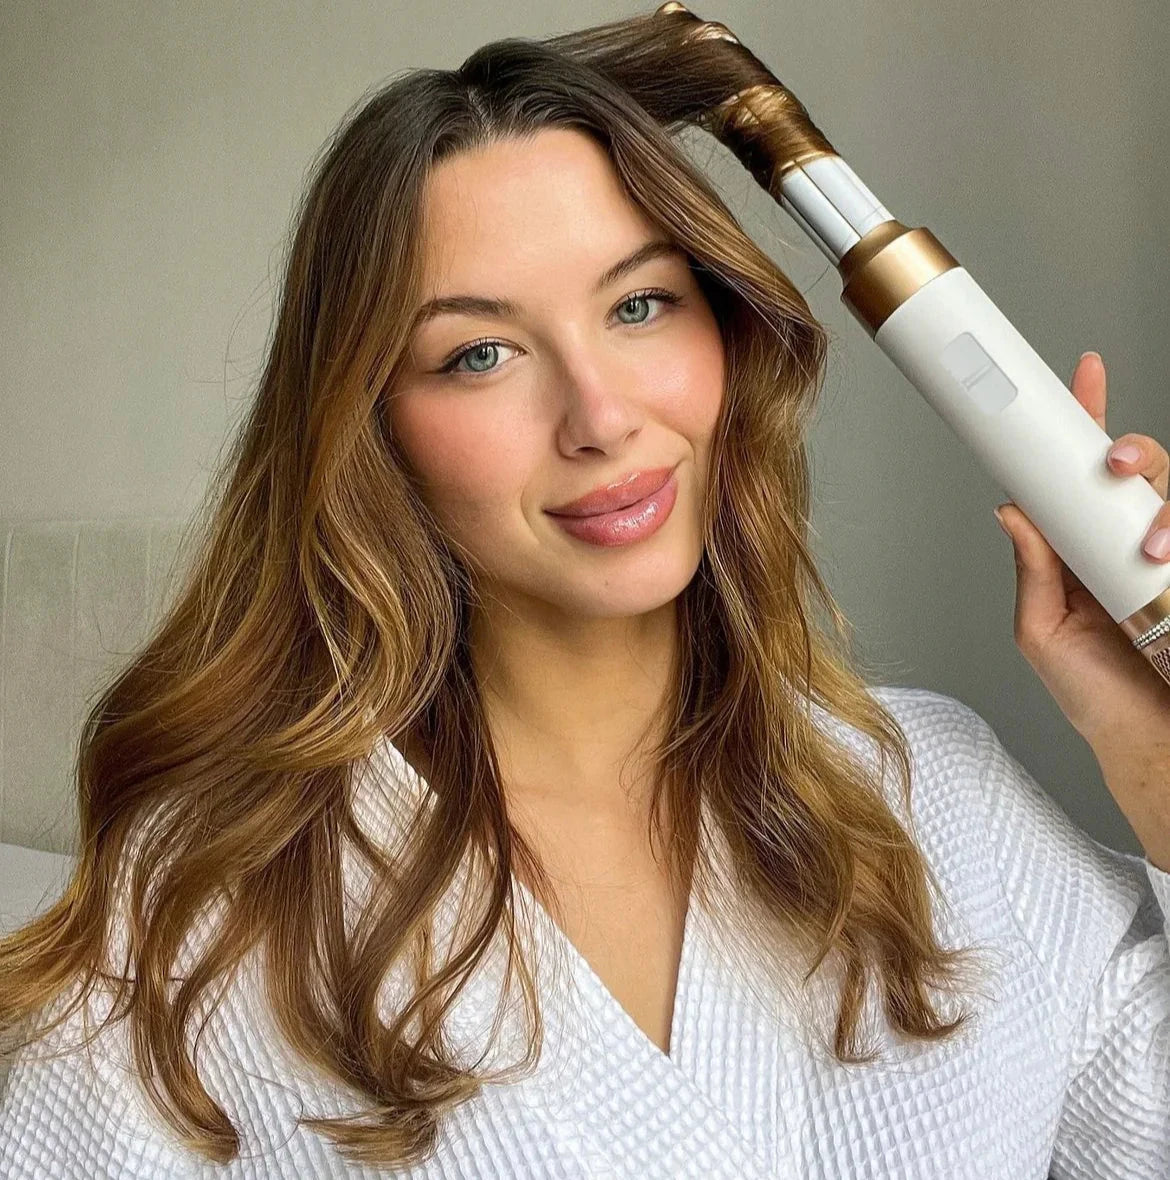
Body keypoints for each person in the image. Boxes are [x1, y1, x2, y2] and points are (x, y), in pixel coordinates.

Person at [2, 11, 1169, 1178]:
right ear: (371, 428)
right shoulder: (200, 921)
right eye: (479, 354)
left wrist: (1149, 747)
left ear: (727, 334)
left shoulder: (936, 799)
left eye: (639, 304)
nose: (600, 418)